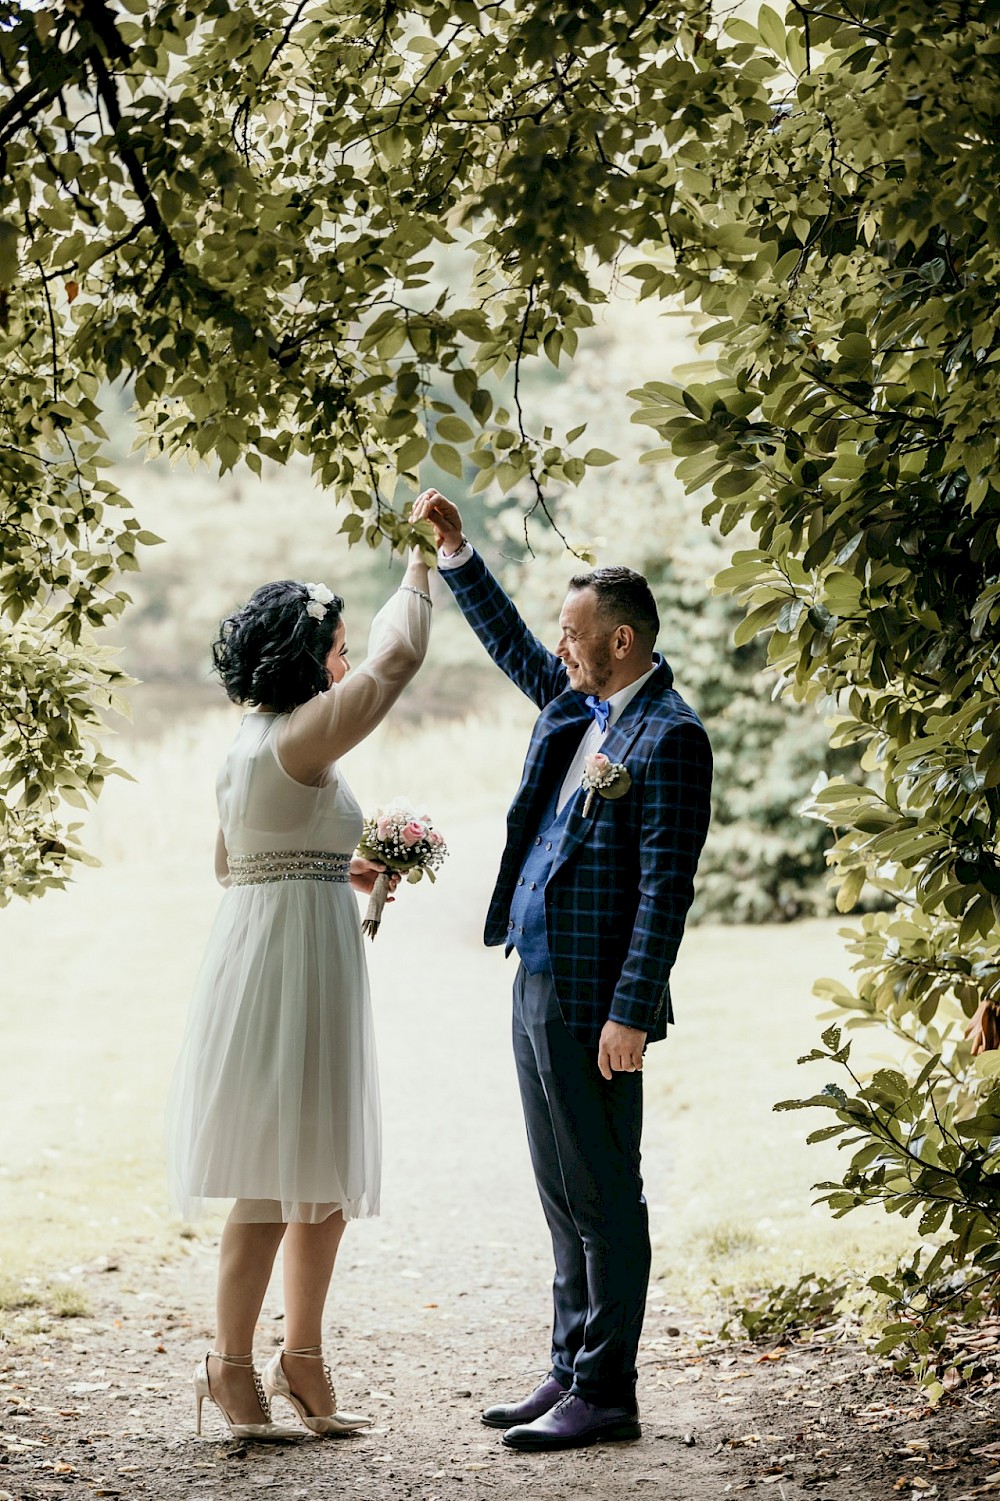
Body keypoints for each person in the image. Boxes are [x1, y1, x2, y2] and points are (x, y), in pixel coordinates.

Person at [411, 491, 712, 1453]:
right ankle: (569, 1366)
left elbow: (666, 890)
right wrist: (460, 555)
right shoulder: (580, 704)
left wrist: (630, 1013)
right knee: (557, 1188)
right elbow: (513, 649)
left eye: (575, 632)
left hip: (596, 1005)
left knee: (604, 1191)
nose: (562, 644)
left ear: (622, 640)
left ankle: (608, 1391)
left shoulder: (669, 737)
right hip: (536, 975)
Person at [164, 522, 437, 1441]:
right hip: (289, 970)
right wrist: (420, 561)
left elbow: (233, 864)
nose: (348, 655)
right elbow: (399, 659)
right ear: (304, 655)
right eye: (335, 645)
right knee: (275, 1177)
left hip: (278, 948)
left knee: (317, 1173)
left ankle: (302, 1358)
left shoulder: (247, 744)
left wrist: (335, 867)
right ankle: (228, 1364)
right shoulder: (305, 733)